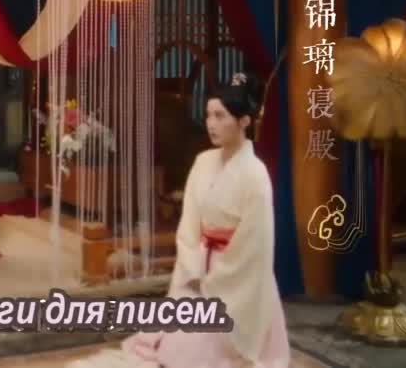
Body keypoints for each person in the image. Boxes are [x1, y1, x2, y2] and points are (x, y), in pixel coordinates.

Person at [120, 73, 290, 368]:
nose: (211, 123)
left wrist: (216, 279)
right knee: (174, 348)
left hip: (240, 277)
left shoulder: (255, 173)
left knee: (204, 351)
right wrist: (193, 266)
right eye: (209, 115)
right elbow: (189, 226)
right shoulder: (203, 162)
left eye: (220, 116)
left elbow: (255, 243)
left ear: (243, 121)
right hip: (198, 264)